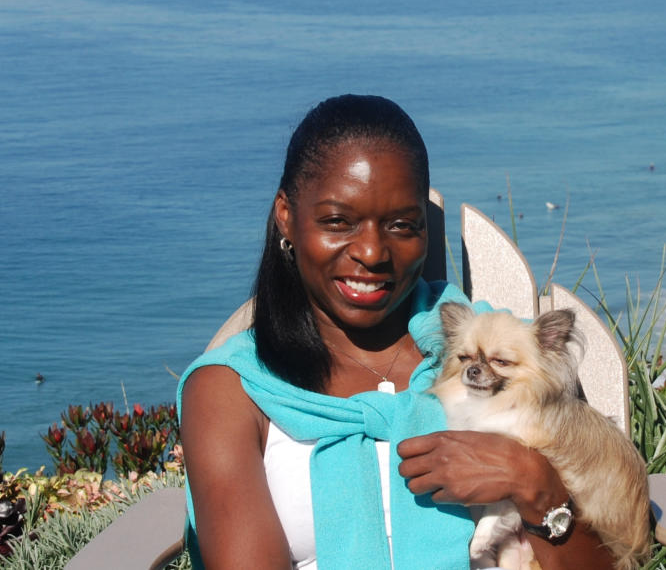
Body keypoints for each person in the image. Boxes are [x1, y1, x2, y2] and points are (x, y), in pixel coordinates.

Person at [178, 94, 616, 570]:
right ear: (286, 215)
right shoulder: (231, 391)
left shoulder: (510, 363)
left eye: (402, 225)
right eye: (338, 221)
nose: (372, 252)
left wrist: (531, 480)